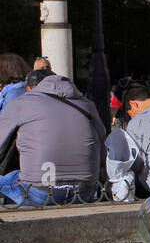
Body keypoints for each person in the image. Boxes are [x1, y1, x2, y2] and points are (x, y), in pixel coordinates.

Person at [0, 69, 105, 205]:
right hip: (84, 191)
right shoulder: (87, 105)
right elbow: (102, 150)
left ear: (30, 88)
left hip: (40, 192)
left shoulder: (23, 101)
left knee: (13, 177)